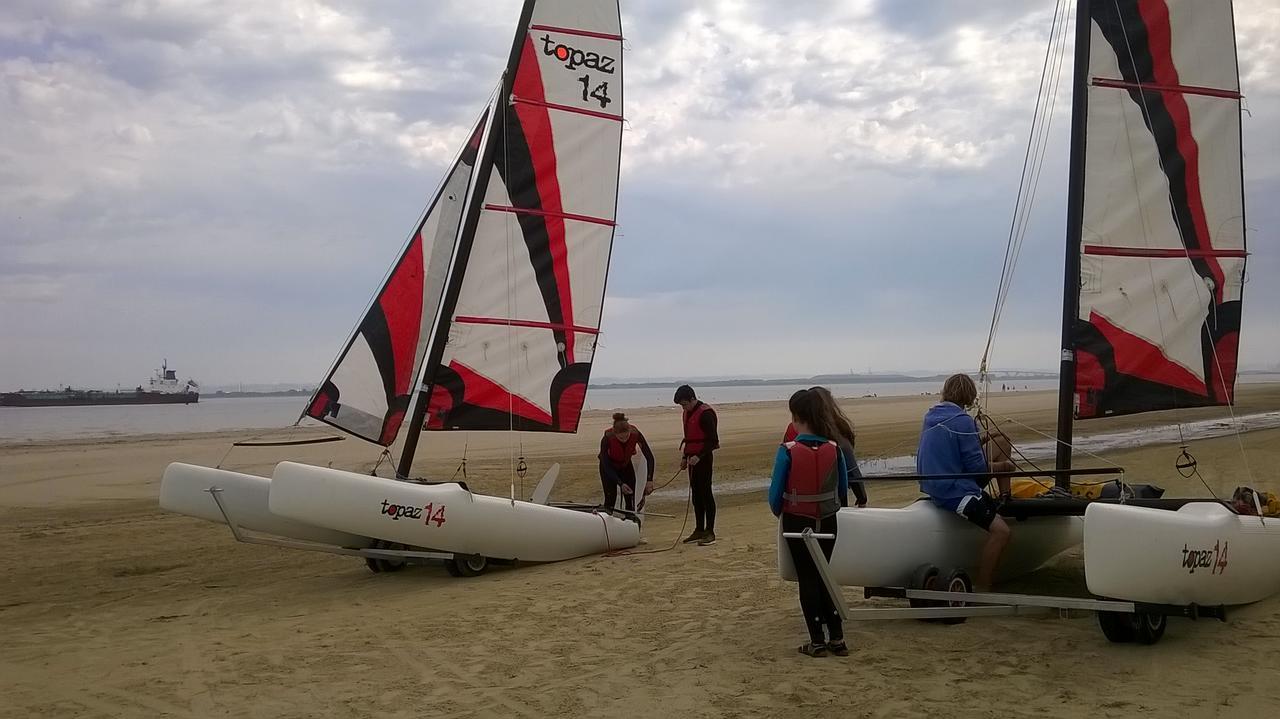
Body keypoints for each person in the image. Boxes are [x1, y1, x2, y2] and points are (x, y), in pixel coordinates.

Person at [769, 388, 850, 657]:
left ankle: (816, 641)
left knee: (808, 578)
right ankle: (837, 638)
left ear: (796, 418)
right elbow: (842, 490)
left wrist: (782, 512)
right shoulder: (834, 449)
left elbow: (774, 495)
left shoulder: (788, 451)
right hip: (828, 521)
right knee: (824, 574)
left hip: (797, 522)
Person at [916, 373, 1012, 592]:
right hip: (953, 490)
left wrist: (982, 438)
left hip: (934, 483)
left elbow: (953, 448)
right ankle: (984, 587)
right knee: (1002, 532)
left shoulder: (931, 416)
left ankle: (1005, 499)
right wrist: (1004, 468)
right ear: (969, 395)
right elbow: (976, 469)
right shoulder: (962, 420)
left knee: (1002, 441)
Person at [783, 387, 867, 508]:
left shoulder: (793, 429)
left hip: (797, 505)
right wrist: (862, 497)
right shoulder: (838, 432)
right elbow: (852, 471)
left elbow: (783, 466)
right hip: (832, 504)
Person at [674, 384, 719, 545]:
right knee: (696, 495)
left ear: (693, 399)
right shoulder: (686, 413)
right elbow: (689, 438)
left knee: (706, 493)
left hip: (704, 458)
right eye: (681, 405)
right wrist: (685, 457)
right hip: (692, 458)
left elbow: (714, 441)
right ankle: (699, 529)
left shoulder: (706, 414)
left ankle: (710, 531)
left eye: (684, 404)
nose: (683, 407)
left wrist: (699, 456)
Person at [599, 412, 656, 514]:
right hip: (609, 468)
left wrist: (649, 480)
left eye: (627, 437)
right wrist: (620, 483)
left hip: (625, 465)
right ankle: (607, 521)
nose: (624, 440)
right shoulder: (607, 438)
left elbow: (649, 457)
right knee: (610, 498)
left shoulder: (636, 434)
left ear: (629, 431)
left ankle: (630, 520)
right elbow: (606, 465)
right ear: (615, 434)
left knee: (630, 499)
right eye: (621, 438)